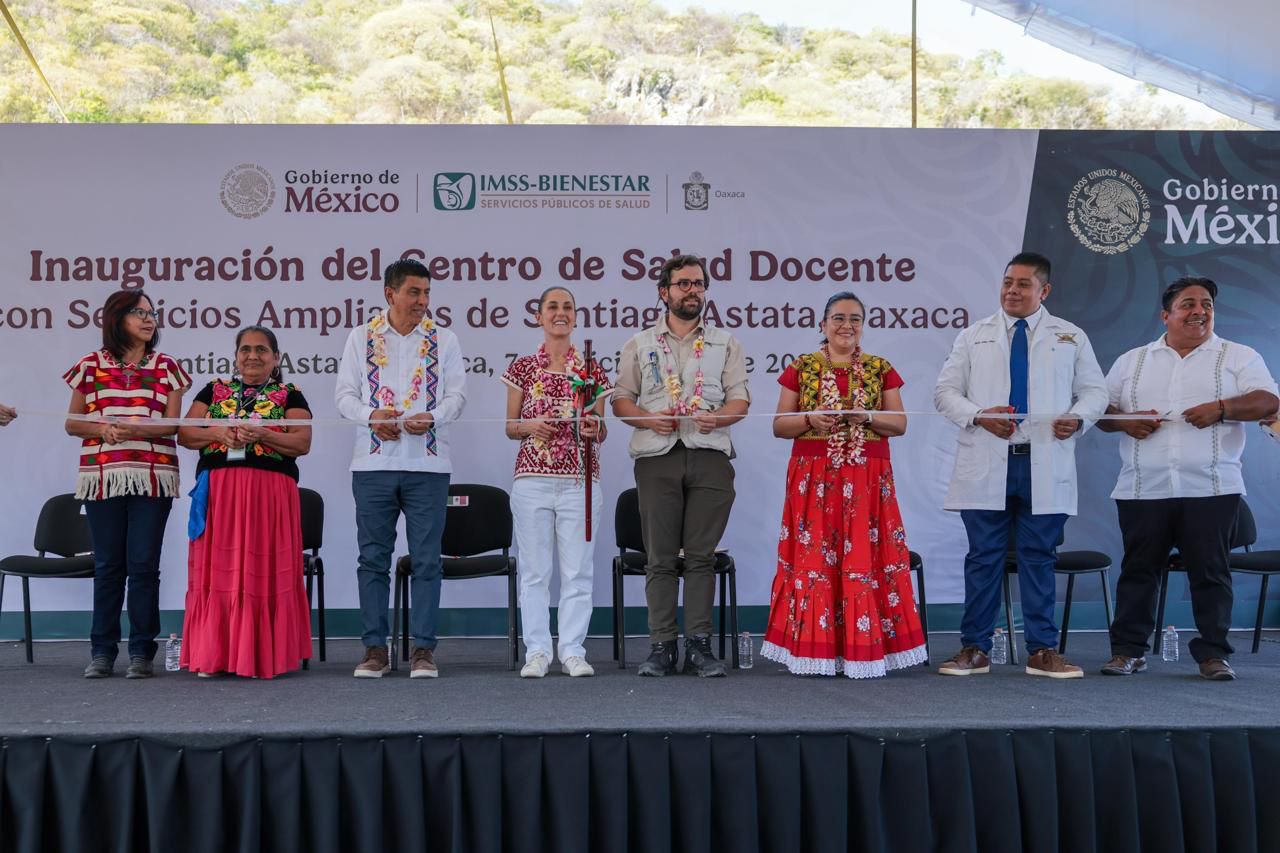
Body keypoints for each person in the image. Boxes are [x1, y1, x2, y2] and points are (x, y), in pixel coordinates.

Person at [933, 251, 1107, 678]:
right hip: (989, 460)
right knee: (983, 557)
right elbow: (944, 392)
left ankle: (1042, 651)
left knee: (1039, 556)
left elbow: (1095, 392)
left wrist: (1079, 417)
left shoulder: (1070, 336)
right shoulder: (974, 335)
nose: (1012, 290)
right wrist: (977, 415)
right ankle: (974, 648)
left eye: (1023, 284)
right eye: (1008, 282)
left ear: (1044, 291)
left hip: (1043, 461)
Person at [1098, 277, 1278, 681]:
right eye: (1188, 304)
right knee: (1139, 570)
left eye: (1207, 304)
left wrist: (1222, 407)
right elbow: (1101, 411)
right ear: (1166, 315)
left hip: (1212, 487)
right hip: (1144, 486)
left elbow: (1268, 401)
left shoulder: (1238, 356)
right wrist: (1125, 421)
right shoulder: (1133, 361)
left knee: (1211, 573)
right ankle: (1128, 652)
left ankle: (1213, 655)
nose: (1200, 311)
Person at [761, 293, 927, 678]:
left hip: (867, 478)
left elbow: (899, 424)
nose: (846, 325)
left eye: (855, 318)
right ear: (822, 325)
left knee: (864, 559)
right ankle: (815, 651)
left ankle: (865, 650)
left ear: (863, 326)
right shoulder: (801, 368)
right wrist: (810, 420)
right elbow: (778, 425)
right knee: (816, 559)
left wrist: (866, 416)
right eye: (838, 318)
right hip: (814, 477)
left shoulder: (879, 368)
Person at [612, 253, 750, 677]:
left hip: (709, 454)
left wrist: (719, 417)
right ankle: (661, 647)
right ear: (664, 293)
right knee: (660, 557)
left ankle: (699, 647)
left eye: (699, 284)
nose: (693, 291)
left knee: (701, 557)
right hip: (657, 456)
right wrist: (647, 418)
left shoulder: (726, 343)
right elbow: (621, 401)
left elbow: (740, 401)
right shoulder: (639, 343)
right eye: (684, 284)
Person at [335, 258, 467, 679]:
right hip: (373, 465)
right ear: (389, 293)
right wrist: (373, 415)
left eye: (427, 293)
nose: (422, 301)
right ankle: (375, 649)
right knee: (373, 558)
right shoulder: (361, 337)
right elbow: (344, 395)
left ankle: (423, 650)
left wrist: (433, 417)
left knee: (427, 560)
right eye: (414, 292)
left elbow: (457, 397)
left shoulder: (444, 340)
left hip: (428, 466)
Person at [63, 289, 191, 679]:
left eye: (152, 313)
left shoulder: (167, 365)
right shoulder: (89, 365)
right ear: (116, 319)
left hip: (153, 475)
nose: (149, 319)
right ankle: (102, 652)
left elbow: (172, 424)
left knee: (143, 565)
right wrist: (103, 429)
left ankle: (141, 652)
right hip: (103, 475)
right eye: (139, 312)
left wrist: (136, 426)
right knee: (108, 566)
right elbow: (72, 423)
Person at [176, 326, 314, 678]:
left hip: (270, 495)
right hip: (220, 492)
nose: (253, 356)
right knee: (219, 572)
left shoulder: (290, 394)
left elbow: (301, 443)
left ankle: (263, 655)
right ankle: (215, 654)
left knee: (262, 572)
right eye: (246, 349)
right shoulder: (214, 389)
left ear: (275, 358)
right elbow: (186, 433)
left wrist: (265, 434)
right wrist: (218, 432)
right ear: (236, 356)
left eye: (262, 350)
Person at [502, 286, 612, 678]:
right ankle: (537, 651)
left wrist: (592, 426)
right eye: (553, 306)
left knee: (578, 570)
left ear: (576, 316)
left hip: (580, 481)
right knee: (534, 571)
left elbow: (601, 430)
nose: (560, 313)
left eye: (567, 307)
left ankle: (572, 651)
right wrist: (530, 425)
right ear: (539, 316)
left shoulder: (591, 368)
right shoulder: (523, 367)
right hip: (532, 479)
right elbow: (511, 426)